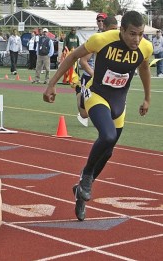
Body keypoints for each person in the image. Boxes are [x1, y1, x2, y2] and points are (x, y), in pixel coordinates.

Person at [43, 11, 152, 221]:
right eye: (131, 34)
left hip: (119, 102)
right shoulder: (101, 40)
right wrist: (52, 84)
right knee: (108, 136)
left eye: (140, 34)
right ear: (121, 30)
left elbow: (145, 68)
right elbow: (73, 56)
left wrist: (147, 98)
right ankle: (86, 177)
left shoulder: (145, 47)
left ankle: (81, 194)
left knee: (108, 151)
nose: (136, 39)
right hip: (96, 95)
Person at [77, 14, 117, 127]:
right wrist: (94, 74)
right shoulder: (97, 39)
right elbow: (83, 61)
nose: (100, 22)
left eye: (102, 20)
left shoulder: (119, 40)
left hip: (108, 79)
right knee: (84, 114)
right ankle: (79, 92)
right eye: (98, 20)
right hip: (91, 76)